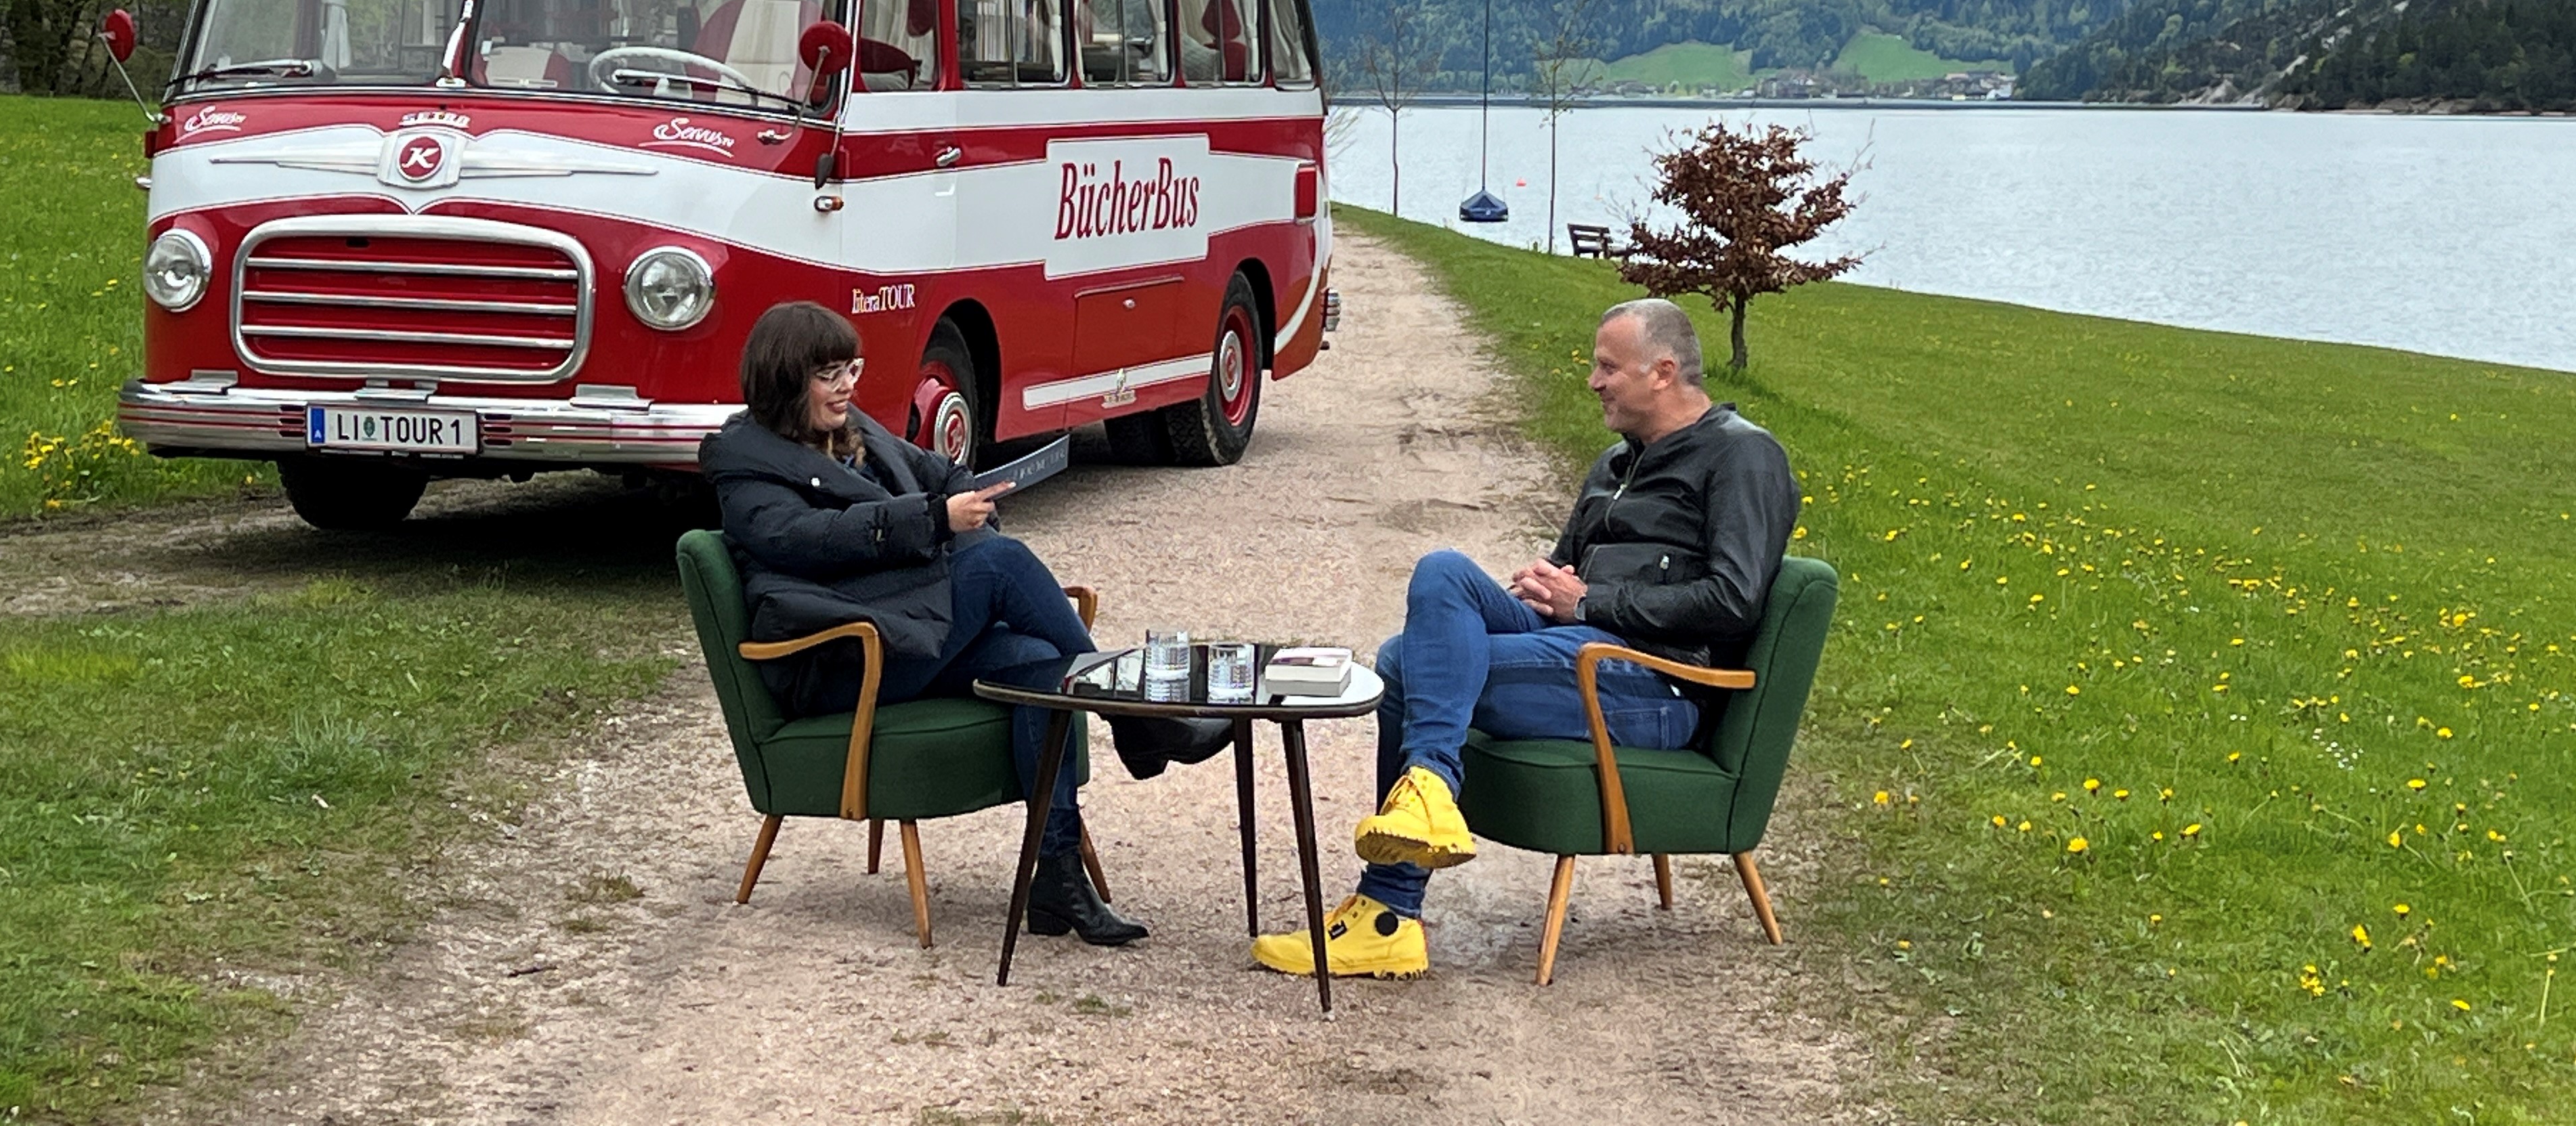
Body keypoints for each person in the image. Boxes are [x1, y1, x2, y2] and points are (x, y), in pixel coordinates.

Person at [1251, 297, 1800, 978]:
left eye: (1608, 368)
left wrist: (1590, 601)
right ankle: (1426, 798)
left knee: (1403, 663)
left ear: (1662, 372)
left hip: (1652, 682)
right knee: (1443, 571)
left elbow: (1734, 601)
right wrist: (1547, 589)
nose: (1593, 381)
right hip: (1576, 645)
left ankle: (1390, 907)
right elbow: (1568, 573)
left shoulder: (1744, 456)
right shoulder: (1615, 464)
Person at [704, 301, 1229, 946]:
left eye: (851, 369)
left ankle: (1057, 876)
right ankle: (1135, 721)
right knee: (999, 564)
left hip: (908, 626)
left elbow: (943, 472)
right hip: (846, 657)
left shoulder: (852, 429)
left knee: (1039, 663)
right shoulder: (743, 461)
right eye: (829, 374)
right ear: (786, 378)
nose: (846, 387)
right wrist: (935, 520)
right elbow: (809, 539)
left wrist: (966, 499)